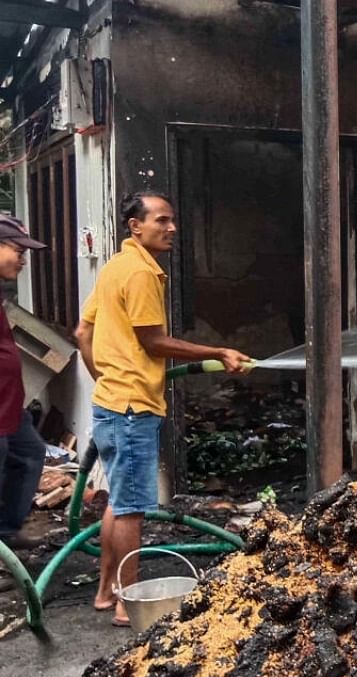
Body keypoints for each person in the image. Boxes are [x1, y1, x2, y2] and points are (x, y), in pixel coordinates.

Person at [75, 191, 250, 627]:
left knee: (119, 498)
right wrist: (218, 350)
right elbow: (154, 341)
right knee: (132, 506)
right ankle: (127, 604)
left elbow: (82, 332)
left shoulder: (116, 266)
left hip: (113, 401)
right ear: (135, 226)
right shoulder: (139, 273)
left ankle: (105, 592)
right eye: (162, 220)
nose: (171, 228)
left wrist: (105, 378)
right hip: (133, 405)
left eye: (172, 221)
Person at [0, 216, 50, 550]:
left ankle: (6, 531)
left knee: (30, 453)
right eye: (17, 250)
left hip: (8, 406)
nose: (22, 259)